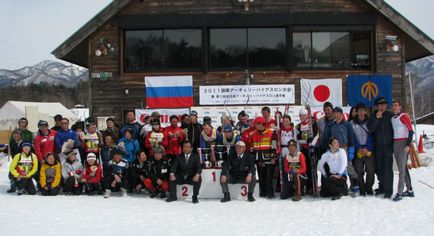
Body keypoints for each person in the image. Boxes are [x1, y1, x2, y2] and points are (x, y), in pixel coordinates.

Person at [367, 97, 395, 198]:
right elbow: (370, 129)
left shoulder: (390, 115)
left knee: (388, 169)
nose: (382, 107)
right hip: (377, 147)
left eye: (384, 105)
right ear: (377, 106)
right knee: (379, 168)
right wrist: (376, 119)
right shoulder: (373, 117)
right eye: (380, 105)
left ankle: (388, 190)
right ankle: (382, 187)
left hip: (388, 146)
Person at [330, 107, 358, 195]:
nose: (336, 114)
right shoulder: (332, 126)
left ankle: (355, 185)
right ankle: (342, 187)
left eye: (338, 113)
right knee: (339, 167)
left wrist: (351, 150)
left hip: (345, 147)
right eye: (334, 113)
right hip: (335, 149)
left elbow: (351, 137)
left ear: (341, 114)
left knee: (349, 166)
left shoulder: (347, 124)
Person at [391, 100, 415, 201]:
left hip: (403, 143)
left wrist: (408, 144)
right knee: (403, 167)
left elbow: (410, 130)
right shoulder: (393, 119)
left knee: (401, 170)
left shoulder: (404, 116)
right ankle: (409, 190)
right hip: (395, 143)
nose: (394, 107)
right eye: (393, 106)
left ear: (400, 107)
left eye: (396, 105)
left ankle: (399, 192)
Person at [250, 116, 279, 198]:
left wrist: (273, 157)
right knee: (261, 176)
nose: (255, 126)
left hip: (269, 158)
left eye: (256, 124)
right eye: (255, 124)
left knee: (269, 176)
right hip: (258, 158)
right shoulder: (253, 134)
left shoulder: (271, 132)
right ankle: (263, 192)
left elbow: (274, 146)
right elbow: (252, 147)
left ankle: (270, 193)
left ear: (262, 124)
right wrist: (254, 159)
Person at [350, 103, 375, 196]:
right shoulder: (352, 123)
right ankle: (361, 188)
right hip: (358, 150)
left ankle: (368, 187)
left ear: (365, 111)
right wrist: (359, 148)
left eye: (362, 110)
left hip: (368, 149)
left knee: (370, 170)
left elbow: (372, 136)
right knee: (358, 170)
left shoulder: (370, 122)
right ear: (356, 112)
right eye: (359, 110)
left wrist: (367, 148)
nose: (361, 112)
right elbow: (352, 137)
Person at [296, 107, 318, 195]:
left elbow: (317, 135)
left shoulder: (312, 124)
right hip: (303, 149)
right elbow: (298, 139)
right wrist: (304, 142)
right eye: (301, 116)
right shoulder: (298, 126)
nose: (302, 117)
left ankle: (313, 187)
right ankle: (306, 187)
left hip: (312, 148)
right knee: (305, 169)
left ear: (307, 116)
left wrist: (312, 143)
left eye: (304, 115)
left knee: (312, 168)